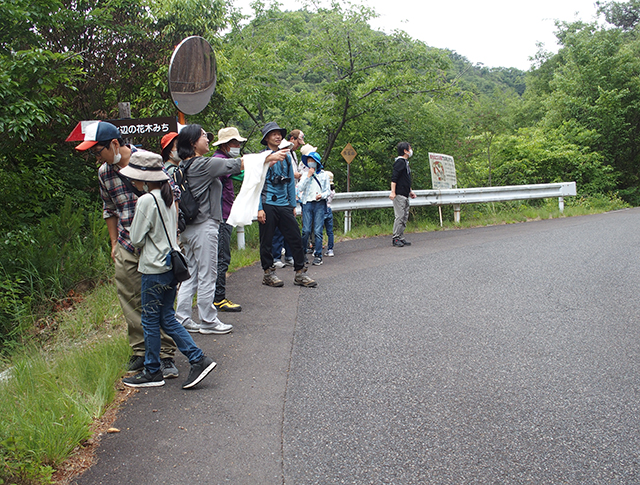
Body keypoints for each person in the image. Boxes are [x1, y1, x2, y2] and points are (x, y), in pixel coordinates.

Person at [75, 121, 179, 379]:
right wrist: (113, 244)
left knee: (158, 301)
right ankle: (141, 352)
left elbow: (172, 198)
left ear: (113, 144)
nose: (96, 157)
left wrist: (173, 240)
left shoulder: (147, 162)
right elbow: (109, 208)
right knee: (131, 299)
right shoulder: (104, 172)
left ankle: (165, 355)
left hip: (155, 247)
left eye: (97, 151)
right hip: (126, 243)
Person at [119, 151, 217, 389]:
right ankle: (198, 358)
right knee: (166, 317)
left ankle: (153, 371)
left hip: (153, 268)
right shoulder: (169, 197)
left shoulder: (145, 200)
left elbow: (137, 238)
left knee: (150, 320)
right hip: (171, 265)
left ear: (143, 178)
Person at [174, 124, 286, 331]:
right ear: (192, 143)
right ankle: (207, 320)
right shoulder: (203, 164)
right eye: (203, 137)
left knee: (191, 274)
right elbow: (238, 164)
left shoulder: (182, 166)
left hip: (188, 228)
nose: (207, 139)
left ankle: (182, 318)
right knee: (208, 274)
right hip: (204, 225)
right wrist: (268, 157)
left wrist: (267, 159)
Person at [258, 122, 317, 288]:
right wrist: (259, 208)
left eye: (279, 134)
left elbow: (290, 183)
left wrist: (293, 204)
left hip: (284, 204)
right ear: (266, 138)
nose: (277, 136)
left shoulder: (286, 157)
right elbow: (257, 184)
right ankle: (268, 273)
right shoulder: (263, 158)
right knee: (267, 240)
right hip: (267, 202)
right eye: (273, 134)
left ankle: (300, 273)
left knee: (295, 238)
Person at [211, 127, 246, 313]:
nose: (238, 146)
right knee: (222, 257)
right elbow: (242, 172)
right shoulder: (220, 161)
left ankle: (215, 297)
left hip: (224, 213)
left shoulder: (223, 160)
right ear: (225, 144)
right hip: (221, 215)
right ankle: (219, 299)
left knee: (220, 257)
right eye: (235, 143)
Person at [272, 129, 305, 268]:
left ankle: (290, 256)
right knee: (278, 230)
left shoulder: (292, 156)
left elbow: (291, 181)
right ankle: (276, 257)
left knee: (291, 229)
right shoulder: (275, 158)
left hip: (290, 196)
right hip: (277, 198)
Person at [298, 144, 330, 266]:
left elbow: (328, 191)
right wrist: (308, 176)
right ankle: (303, 253)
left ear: (317, 162)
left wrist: (321, 196)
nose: (310, 163)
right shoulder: (305, 174)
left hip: (319, 204)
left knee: (317, 231)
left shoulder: (324, 175)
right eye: (309, 161)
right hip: (307, 204)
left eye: (313, 161)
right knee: (305, 230)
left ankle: (318, 255)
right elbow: (299, 188)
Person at [389, 141, 416, 247]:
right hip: (399, 193)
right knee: (399, 216)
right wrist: (393, 192)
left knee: (404, 216)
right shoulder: (400, 162)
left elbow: (405, 179)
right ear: (405, 151)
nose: (411, 150)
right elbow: (394, 178)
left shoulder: (405, 163)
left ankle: (400, 237)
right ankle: (395, 238)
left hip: (405, 193)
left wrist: (410, 191)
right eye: (409, 148)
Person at [323, 171, 335, 257]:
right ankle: (330, 249)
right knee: (330, 231)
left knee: (319, 230)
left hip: (322, 209)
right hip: (329, 209)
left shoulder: (324, 189)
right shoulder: (332, 191)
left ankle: (317, 249)